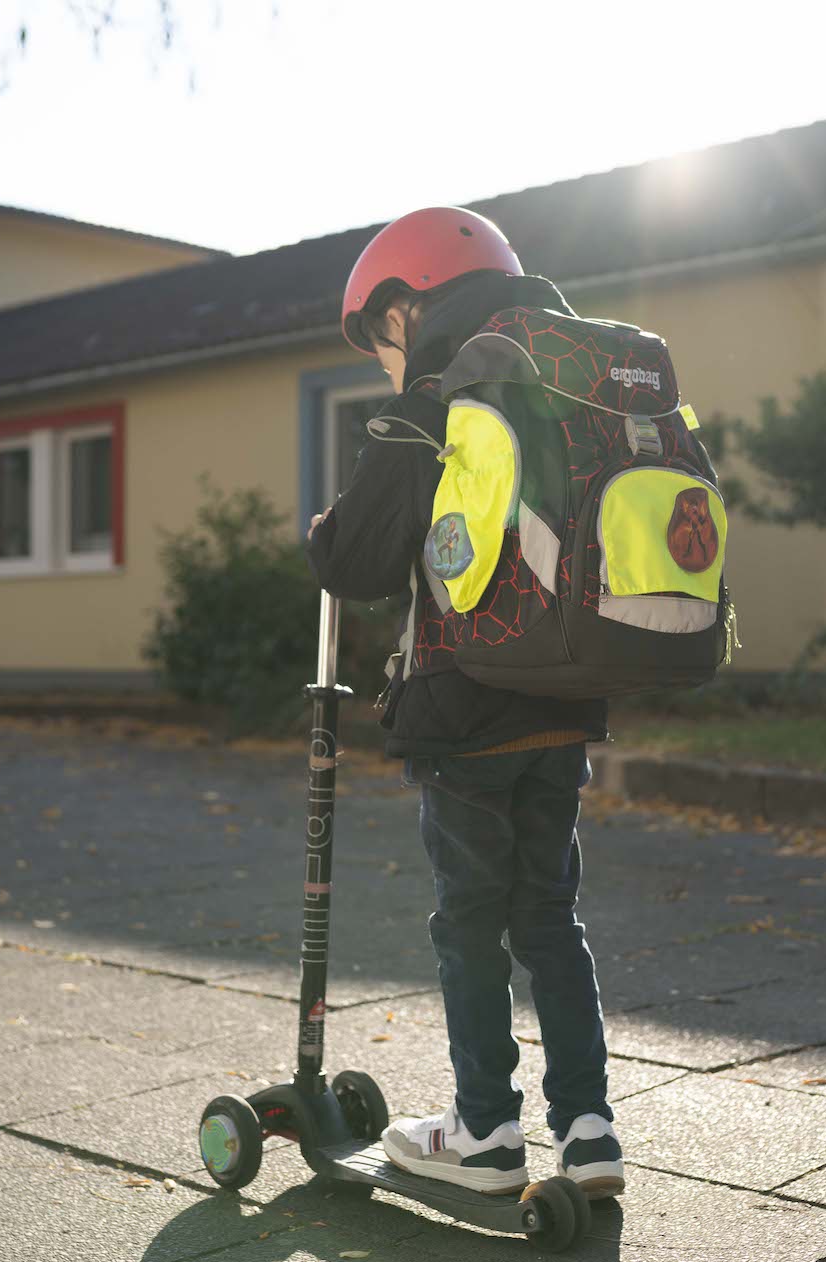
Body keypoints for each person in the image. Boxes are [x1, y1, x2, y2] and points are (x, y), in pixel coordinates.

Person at [304, 206, 623, 1200]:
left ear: (407, 305)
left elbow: (354, 559)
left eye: (378, 333)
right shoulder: (563, 380)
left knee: (469, 923)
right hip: (564, 699)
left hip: (466, 709)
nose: (382, 356)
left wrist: (324, 529)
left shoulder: (434, 398)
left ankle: (484, 1128)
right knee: (550, 919)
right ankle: (586, 1125)